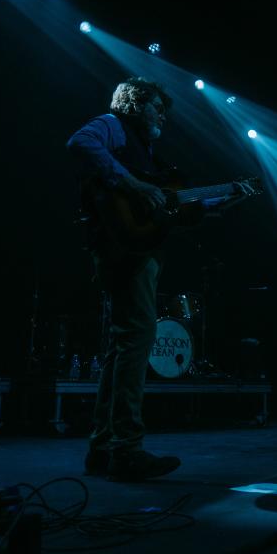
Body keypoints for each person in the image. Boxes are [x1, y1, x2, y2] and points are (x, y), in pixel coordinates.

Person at [66, 77, 180, 481]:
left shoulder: (142, 145)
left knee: (123, 344)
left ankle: (103, 448)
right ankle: (126, 450)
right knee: (136, 339)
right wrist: (131, 182)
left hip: (131, 248)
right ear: (134, 102)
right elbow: (79, 143)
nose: (162, 114)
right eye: (156, 106)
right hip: (122, 250)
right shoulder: (112, 125)